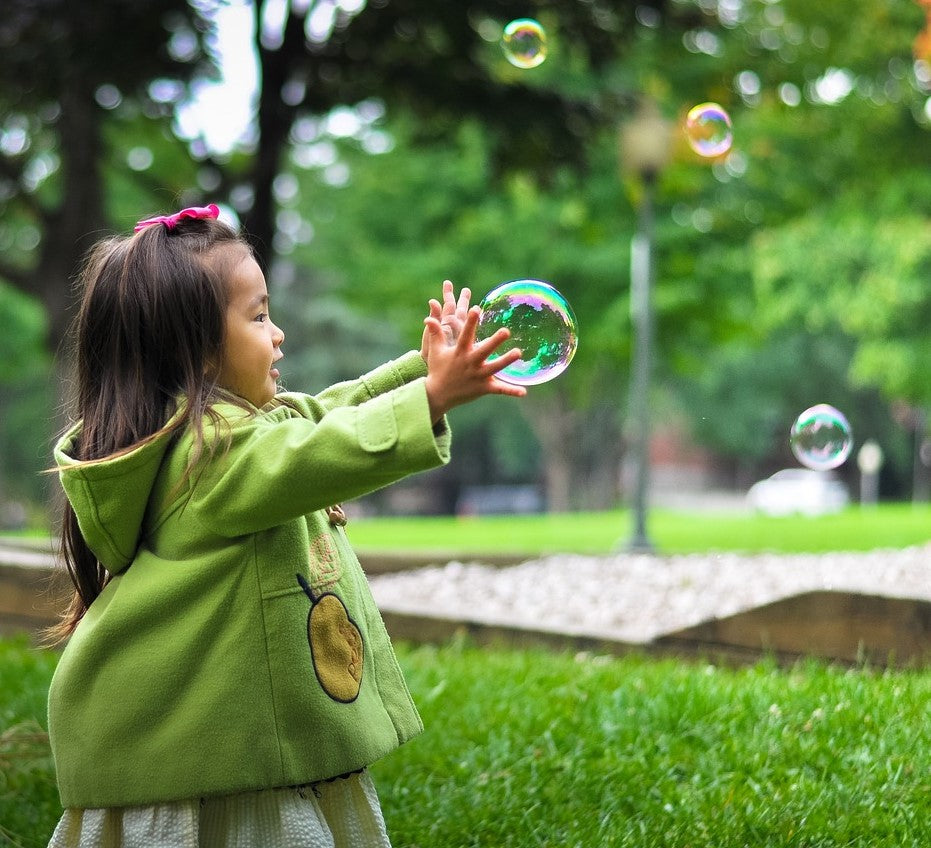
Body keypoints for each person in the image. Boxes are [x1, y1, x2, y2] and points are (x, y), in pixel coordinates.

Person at [45, 203, 525, 847]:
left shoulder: (230, 431)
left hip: (234, 741)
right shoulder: (209, 457)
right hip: (211, 762)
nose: (279, 335)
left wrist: (421, 369)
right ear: (199, 352)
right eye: (259, 315)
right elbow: (323, 450)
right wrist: (432, 398)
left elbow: (329, 410)